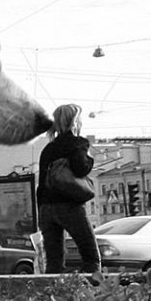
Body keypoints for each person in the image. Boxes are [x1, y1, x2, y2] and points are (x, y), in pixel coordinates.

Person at [37, 104, 101, 274]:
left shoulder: (48, 149)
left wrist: (41, 213)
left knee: (54, 263)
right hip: (69, 206)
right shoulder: (76, 144)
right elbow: (81, 168)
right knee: (91, 258)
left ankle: (55, 295)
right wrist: (89, 158)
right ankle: (90, 295)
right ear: (74, 121)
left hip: (46, 208)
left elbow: (41, 184)